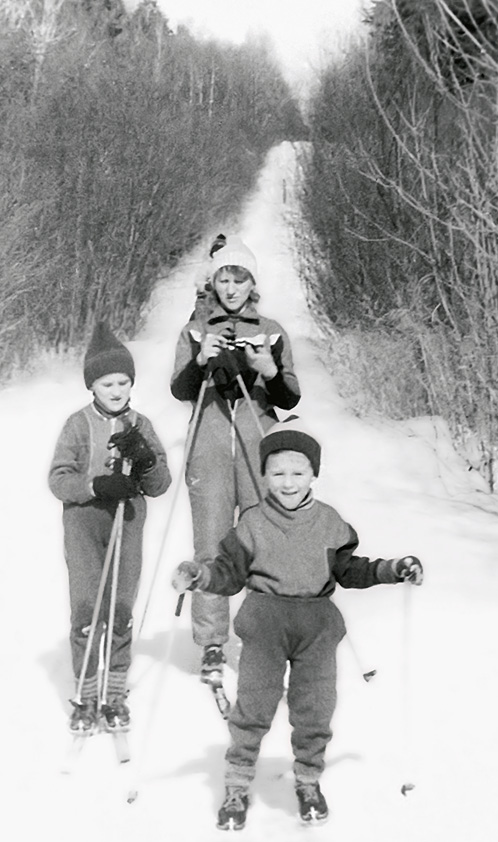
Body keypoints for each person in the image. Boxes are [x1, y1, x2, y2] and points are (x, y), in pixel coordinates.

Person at [172, 416, 424, 830]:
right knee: (253, 707)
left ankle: (308, 780)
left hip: (316, 628)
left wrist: (393, 569)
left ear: (313, 474)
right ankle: (236, 783)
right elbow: (229, 573)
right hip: (266, 624)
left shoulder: (329, 522)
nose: (288, 482)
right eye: (277, 473)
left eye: (297, 472)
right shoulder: (251, 522)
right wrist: (199, 576)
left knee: (315, 710)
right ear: (264, 475)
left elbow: (350, 569)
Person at [170, 235, 301, 687]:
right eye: (223, 278)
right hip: (208, 447)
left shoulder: (271, 329)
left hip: (257, 447)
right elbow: (180, 390)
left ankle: (262, 635)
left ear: (251, 283)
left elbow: (289, 395)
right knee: (211, 543)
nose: (230, 287)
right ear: (213, 281)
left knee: (263, 542)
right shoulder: (193, 329)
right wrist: (201, 363)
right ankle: (211, 641)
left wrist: (266, 371)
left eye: (239, 278)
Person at [49, 322, 172, 733]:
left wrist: (146, 459)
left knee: (120, 609)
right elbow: (58, 479)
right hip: (85, 526)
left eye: (122, 381)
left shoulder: (141, 424)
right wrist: (94, 484)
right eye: (106, 383)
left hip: (128, 522)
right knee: (87, 609)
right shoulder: (77, 424)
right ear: (92, 386)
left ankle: (114, 695)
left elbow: (160, 485)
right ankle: (85, 696)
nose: (116, 390)